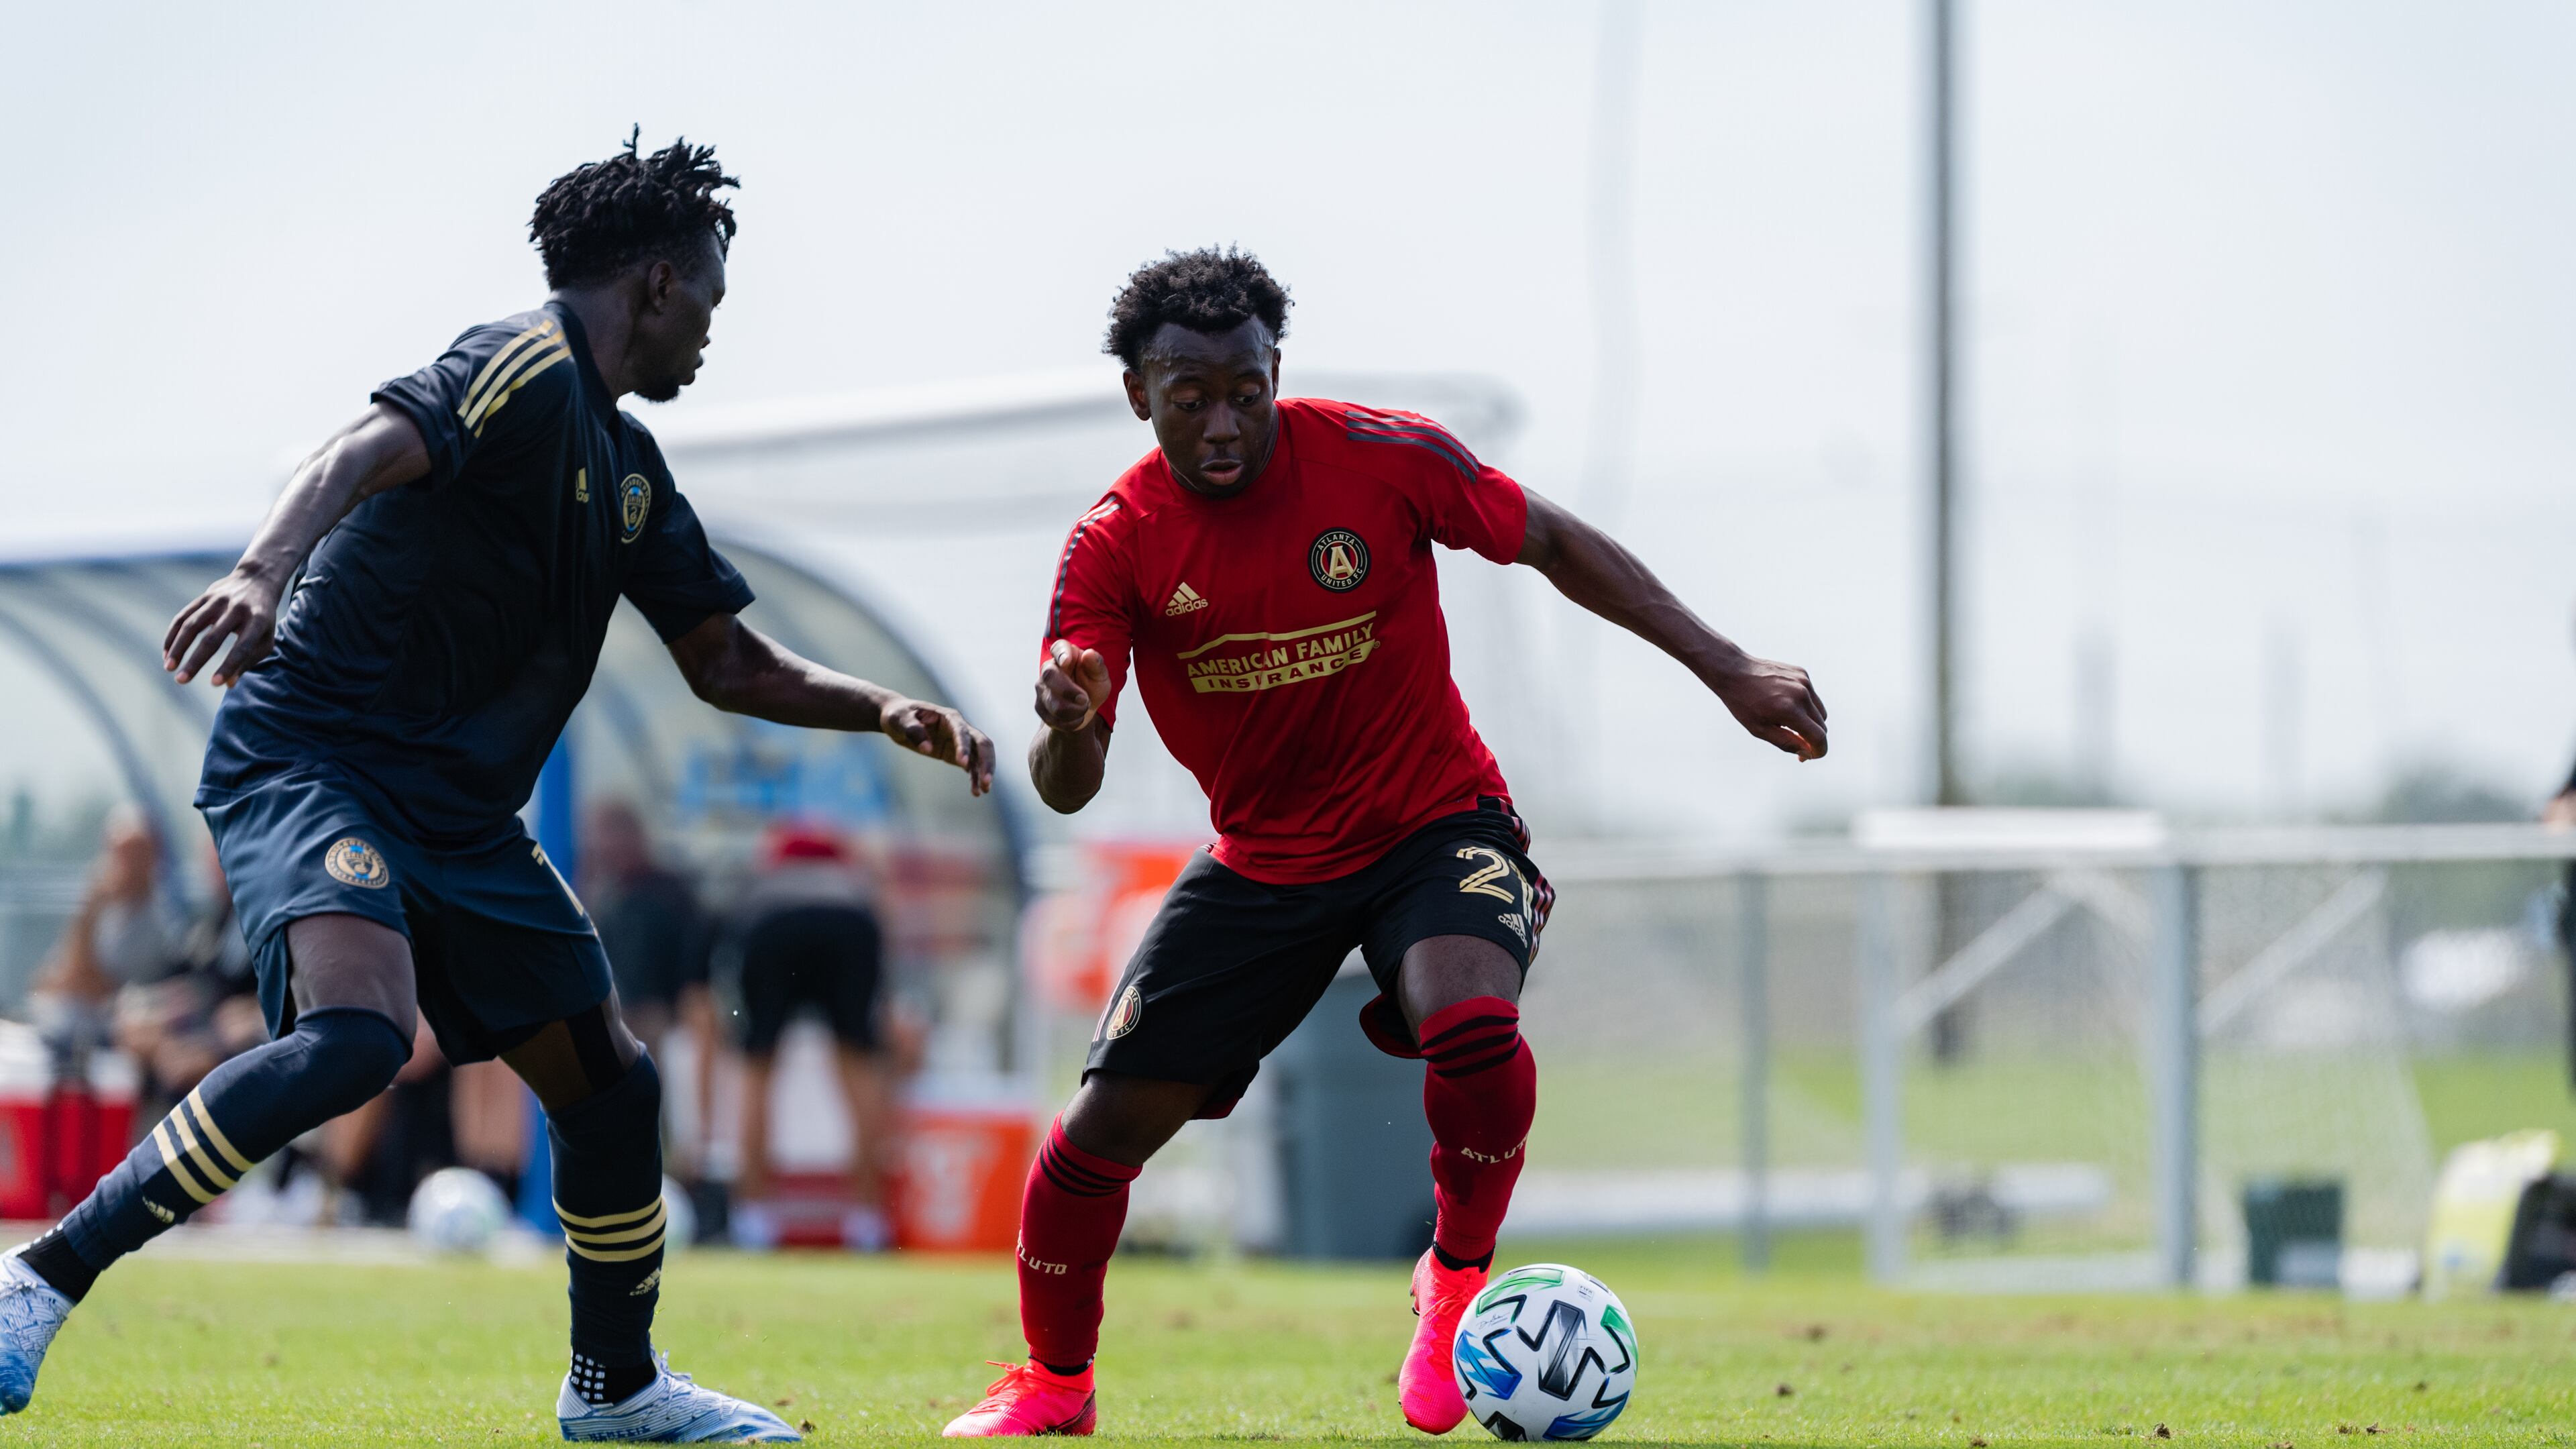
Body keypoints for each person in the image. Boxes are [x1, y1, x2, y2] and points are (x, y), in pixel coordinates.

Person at [0, 133, 996, 1442]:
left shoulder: (630, 470)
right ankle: (37, 1280)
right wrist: (264, 570)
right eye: (706, 296)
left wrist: (880, 709)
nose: (709, 330)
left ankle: (617, 1390)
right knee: (358, 1037)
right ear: (652, 284)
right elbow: (360, 446)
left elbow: (724, 657)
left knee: (613, 1086)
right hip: (318, 760)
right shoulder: (519, 364)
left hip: (458, 818)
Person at [943, 250, 1825, 1438]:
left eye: (1245, 389)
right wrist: (1064, 723)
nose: (1221, 421)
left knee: (1469, 1020)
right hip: (1262, 859)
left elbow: (1554, 542)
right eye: (1187, 394)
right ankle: (1055, 1386)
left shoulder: (1381, 457)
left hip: (1433, 821)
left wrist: (1731, 670)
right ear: (1138, 394)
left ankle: (1455, 1279)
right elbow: (1066, 788)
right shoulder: (1114, 544)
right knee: (1098, 1135)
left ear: (1276, 373)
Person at [721, 826, 898, 1252]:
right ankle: (870, 1222)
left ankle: (751, 1219)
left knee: (758, 1067)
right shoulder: (849, 877)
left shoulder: (769, 875)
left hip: (772, 927)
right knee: (858, 1065)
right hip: (850, 927)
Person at [583, 800, 718, 1179]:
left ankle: (675, 1175)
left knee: (656, 1093)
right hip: (617, 1014)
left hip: (663, 1015)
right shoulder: (608, 897)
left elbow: (694, 963)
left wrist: (682, 1009)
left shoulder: (668, 892)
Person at [32, 808, 181, 1079]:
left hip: (100, 1035)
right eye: (116, 853)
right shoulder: (109, 912)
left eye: (132, 854)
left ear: (152, 859)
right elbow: (46, 980)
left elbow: (96, 988)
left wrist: (89, 913)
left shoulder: (159, 922)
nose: (122, 864)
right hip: (63, 1021)